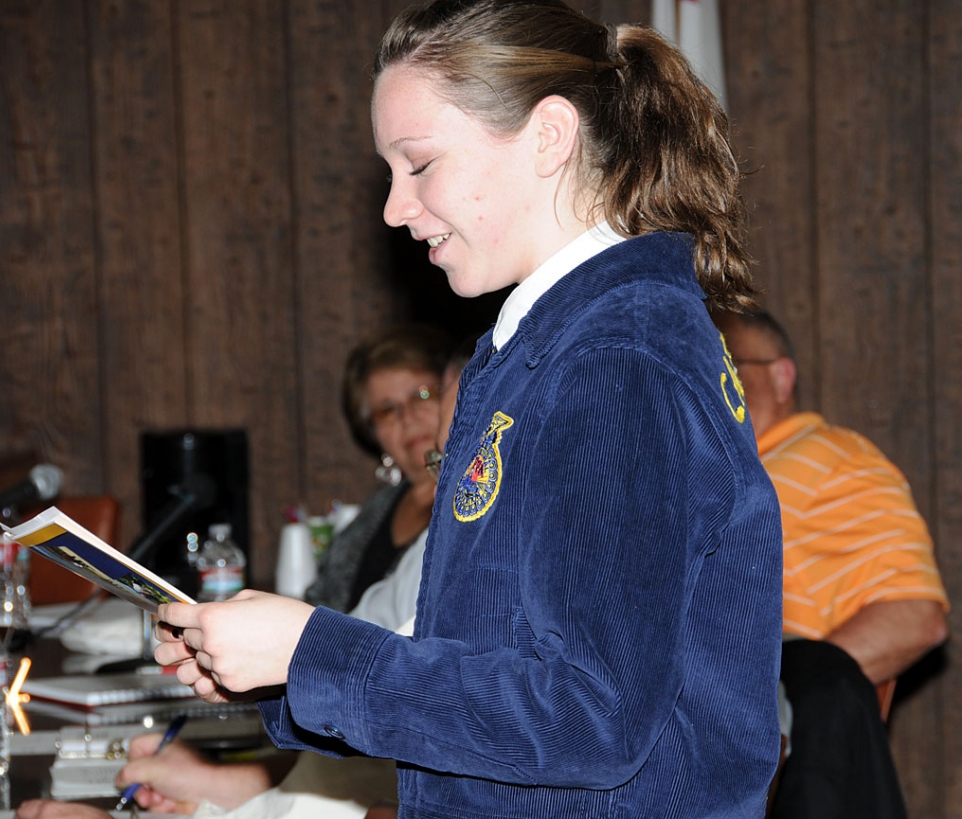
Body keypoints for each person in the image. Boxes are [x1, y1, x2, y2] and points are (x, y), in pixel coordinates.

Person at [154, 2, 785, 817]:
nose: (394, 207)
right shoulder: (542, 349)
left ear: (549, 137)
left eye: (418, 164)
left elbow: (591, 718)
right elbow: (493, 686)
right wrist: (290, 669)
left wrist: (322, 652)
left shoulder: (613, 360)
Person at [14, 352, 474, 819]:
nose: (451, 481)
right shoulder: (429, 540)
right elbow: (361, 650)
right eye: (442, 461)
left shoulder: (507, 575)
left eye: (422, 398)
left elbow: (429, 745)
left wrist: (294, 655)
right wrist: (230, 776)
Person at [711, 307, 949, 819]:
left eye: (732, 366)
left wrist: (779, 703)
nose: (716, 381)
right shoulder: (718, 470)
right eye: (706, 367)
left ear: (781, 376)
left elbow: (915, 615)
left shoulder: (837, 457)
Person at [304, 323, 452, 614]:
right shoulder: (378, 507)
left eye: (421, 395)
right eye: (387, 410)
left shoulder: (477, 496)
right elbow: (318, 601)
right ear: (372, 434)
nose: (407, 417)